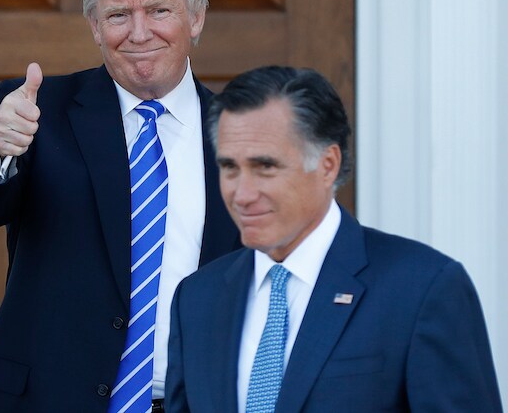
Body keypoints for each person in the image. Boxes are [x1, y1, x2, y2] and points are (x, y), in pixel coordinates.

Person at [0, 0, 240, 413]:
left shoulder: (239, 131)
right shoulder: (42, 111)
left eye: (159, 11)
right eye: (118, 15)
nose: (138, 33)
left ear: (197, 17)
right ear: (96, 26)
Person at [165, 66, 503, 412]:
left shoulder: (422, 289)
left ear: (327, 165)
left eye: (265, 167)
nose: (242, 194)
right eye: (230, 168)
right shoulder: (197, 299)